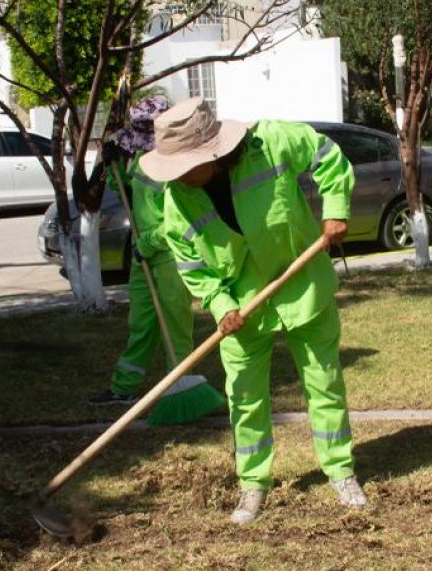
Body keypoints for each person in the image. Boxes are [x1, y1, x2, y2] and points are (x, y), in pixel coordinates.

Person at [138, 97, 365, 525]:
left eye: (186, 166)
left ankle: (341, 472)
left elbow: (326, 153)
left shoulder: (272, 141)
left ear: (213, 153)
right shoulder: (178, 200)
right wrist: (221, 305)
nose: (181, 178)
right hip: (242, 307)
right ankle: (253, 485)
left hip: (303, 288)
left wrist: (336, 210)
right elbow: (191, 263)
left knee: (324, 383)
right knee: (244, 398)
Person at [87, 96, 199, 406]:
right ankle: (124, 388)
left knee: (176, 326)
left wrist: (146, 246)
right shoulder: (140, 160)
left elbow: (178, 225)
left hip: (169, 257)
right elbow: (126, 189)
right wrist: (113, 165)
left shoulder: (177, 173)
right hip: (143, 255)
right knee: (142, 324)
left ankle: (181, 389)